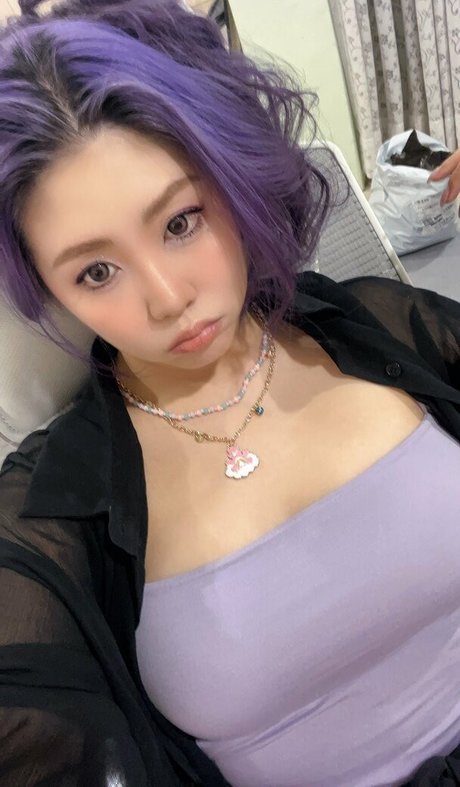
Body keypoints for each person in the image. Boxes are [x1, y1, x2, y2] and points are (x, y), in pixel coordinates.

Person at [0, 1, 460, 785]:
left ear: (234, 176)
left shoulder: (383, 328)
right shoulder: (51, 510)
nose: (168, 297)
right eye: (96, 271)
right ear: (49, 289)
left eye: (181, 222)